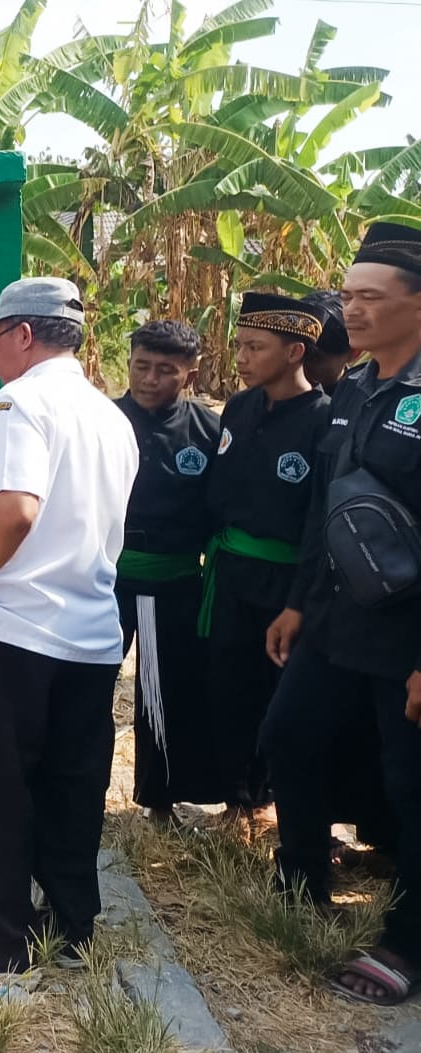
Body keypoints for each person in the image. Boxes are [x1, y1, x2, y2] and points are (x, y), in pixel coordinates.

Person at [0, 277, 138, 979]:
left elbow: (16, 508)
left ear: (24, 333)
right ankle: (72, 923)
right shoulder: (110, 416)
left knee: (4, 789)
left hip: (18, 628)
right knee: (74, 785)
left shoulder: (21, 402)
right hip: (92, 629)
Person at [262, 221, 421, 1006]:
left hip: (407, 634)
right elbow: (323, 507)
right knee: (288, 734)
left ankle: (408, 938)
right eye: (348, 295)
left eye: (370, 297)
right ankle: (302, 882)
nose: (350, 310)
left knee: (412, 785)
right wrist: (296, 601)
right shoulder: (354, 388)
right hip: (332, 620)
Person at [201, 293, 330, 818]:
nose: (243, 358)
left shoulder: (325, 420)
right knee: (231, 686)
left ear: (295, 351)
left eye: (255, 347)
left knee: (282, 693)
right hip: (231, 572)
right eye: (240, 345)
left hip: (287, 580)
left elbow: (319, 520)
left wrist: (300, 600)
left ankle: (284, 804)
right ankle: (239, 801)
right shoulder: (239, 406)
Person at [114, 321, 223, 825]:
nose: (150, 378)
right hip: (104, 579)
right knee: (87, 688)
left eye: (165, 370)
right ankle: (76, 793)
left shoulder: (208, 430)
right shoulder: (103, 421)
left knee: (160, 693)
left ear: (190, 373)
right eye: (142, 366)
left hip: (175, 581)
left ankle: (158, 802)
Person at [301, 290, 360, 394]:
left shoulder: (357, 404)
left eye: (313, 358)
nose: (299, 367)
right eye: (291, 352)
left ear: (354, 352)